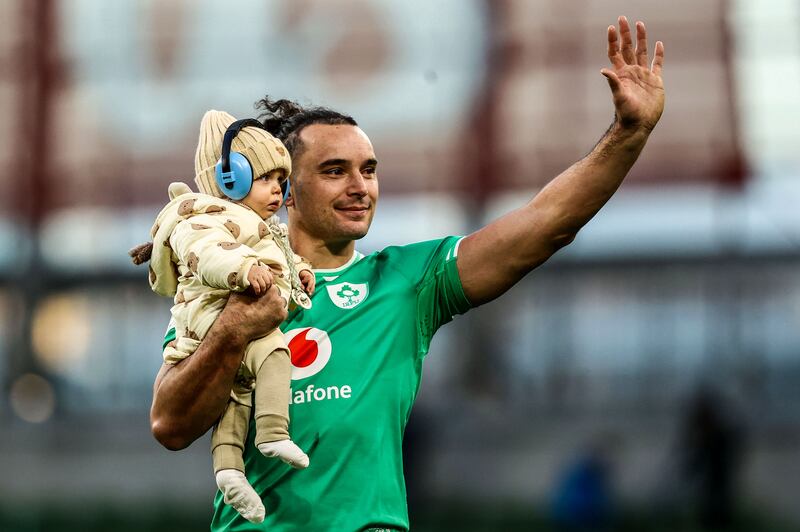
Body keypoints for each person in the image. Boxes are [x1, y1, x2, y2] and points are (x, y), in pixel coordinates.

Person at [149, 16, 665, 531]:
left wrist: (628, 133)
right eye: (335, 171)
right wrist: (235, 328)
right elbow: (170, 424)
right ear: (284, 190)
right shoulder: (227, 284)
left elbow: (546, 224)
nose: (360, 186)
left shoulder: (404, 281)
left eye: (368, 170)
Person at [133, 111, 317, 524]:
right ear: (228, 177)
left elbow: (280, 255)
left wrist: (300, 269)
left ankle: (230, 471)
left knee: (236, 396)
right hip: (212, 314)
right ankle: (273, 433)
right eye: (267, 179)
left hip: (226, 312)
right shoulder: (202, 218)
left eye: (280, 181)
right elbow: (209, 254)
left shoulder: (258, 225)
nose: (279, 192)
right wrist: (241, 273)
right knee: (273, 352)